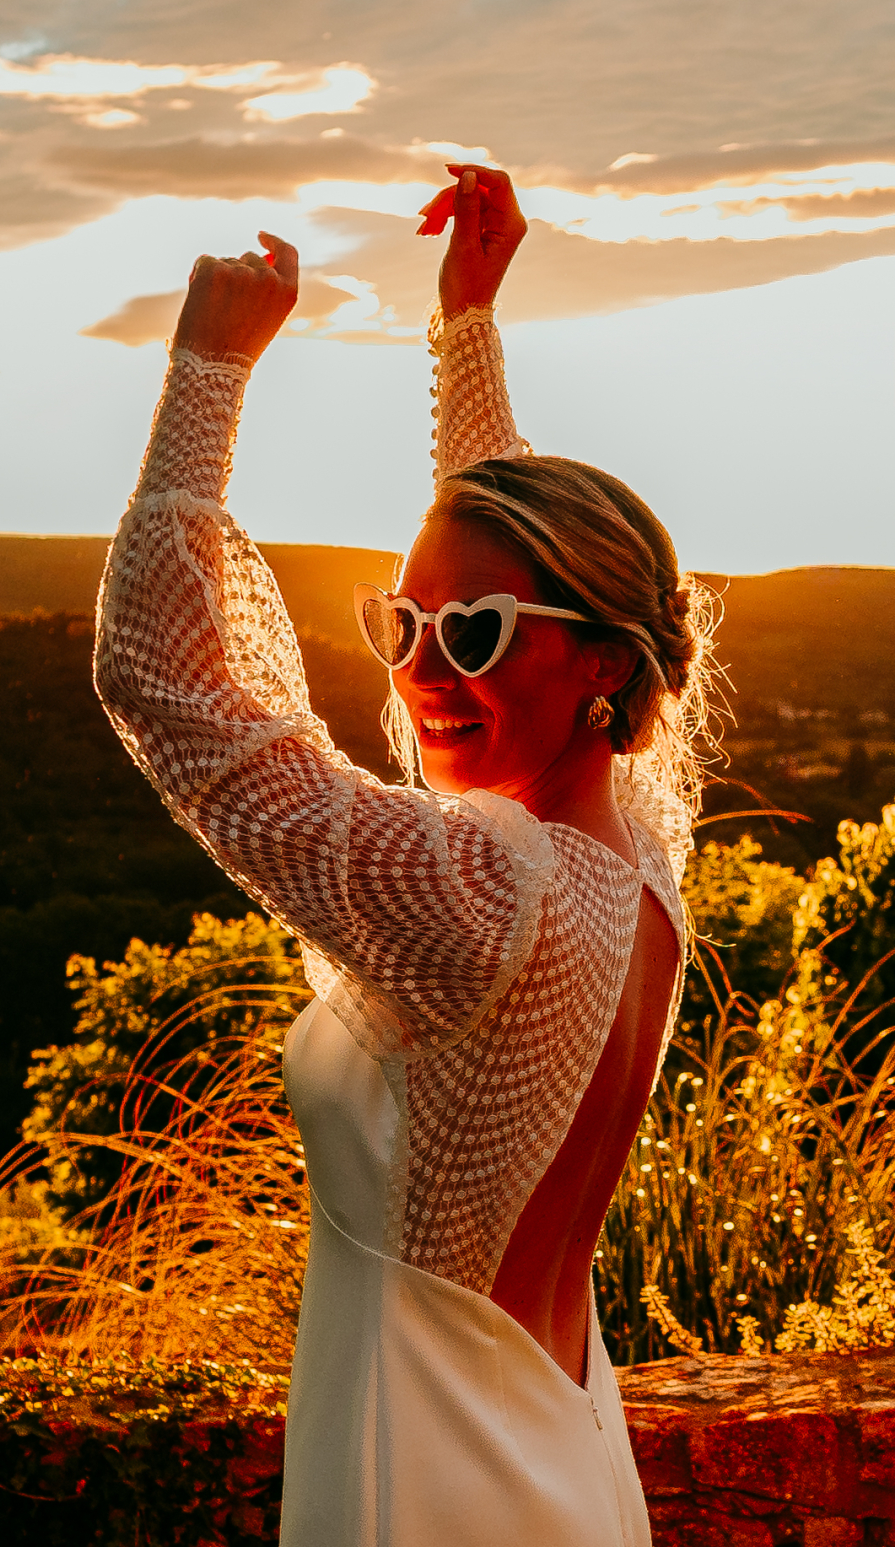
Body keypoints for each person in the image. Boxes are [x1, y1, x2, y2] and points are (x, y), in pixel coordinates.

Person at [95, 165, 712, 1547]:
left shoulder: (481, 889)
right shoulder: (638, 857)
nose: (430, 669)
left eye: (479, 637)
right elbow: (521, 556)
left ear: (604, 667)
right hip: (560, 1457)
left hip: (424, 1478)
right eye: (405, 624)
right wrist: (466, 326)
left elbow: (165, 683)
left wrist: (207, 371)